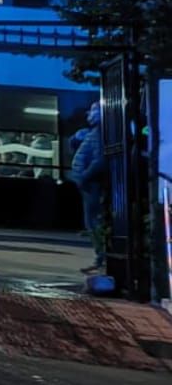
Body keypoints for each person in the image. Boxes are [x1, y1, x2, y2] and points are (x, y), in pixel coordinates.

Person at [68, 103, 108, 274]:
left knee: (94, 223)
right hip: (88, 184)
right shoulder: (93, 132)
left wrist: (84, 176)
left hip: (92, 184)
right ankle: (101, 258)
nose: (89, 115)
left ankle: (103, 258)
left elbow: (99, 160)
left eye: (93, 111)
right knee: (91, 223)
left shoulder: (100, 133)